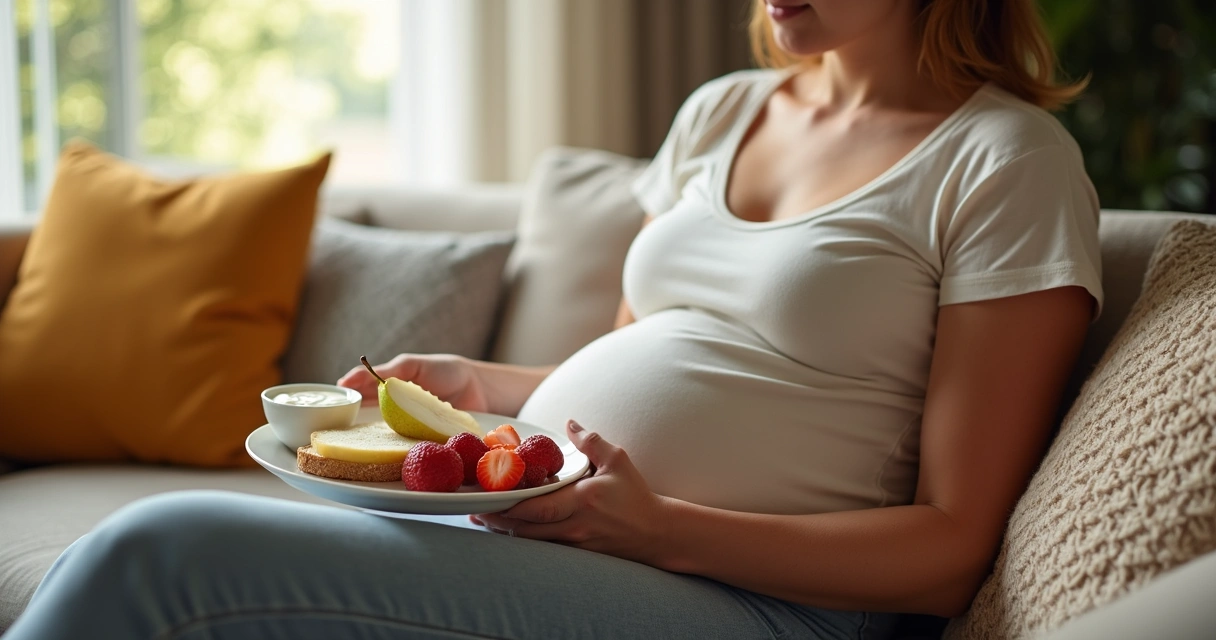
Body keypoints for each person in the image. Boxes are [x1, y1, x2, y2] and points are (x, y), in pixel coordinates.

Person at [6, 1, 1102, 638]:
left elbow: (949, 549)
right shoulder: (723, 111)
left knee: (163, 550)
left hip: (757, 601)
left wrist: (664, 528)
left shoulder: (1006, 162)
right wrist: (484, 385)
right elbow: (634, 350)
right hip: (563, 535)